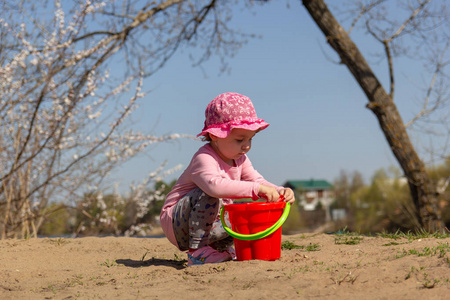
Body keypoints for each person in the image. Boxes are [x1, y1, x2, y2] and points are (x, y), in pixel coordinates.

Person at [160, 92, 295, 266]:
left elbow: (257, 180)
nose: (246, 146)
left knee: (239, 214)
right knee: (209, 193)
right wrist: (256, 190)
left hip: (209, 223)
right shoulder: (204, 157)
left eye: (250, 139)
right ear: (215, 136)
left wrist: (278, 190)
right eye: (239, 139)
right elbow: (214, 186)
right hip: (178, 223)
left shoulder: (240, 159)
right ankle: (197, 252)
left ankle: (220, 250)